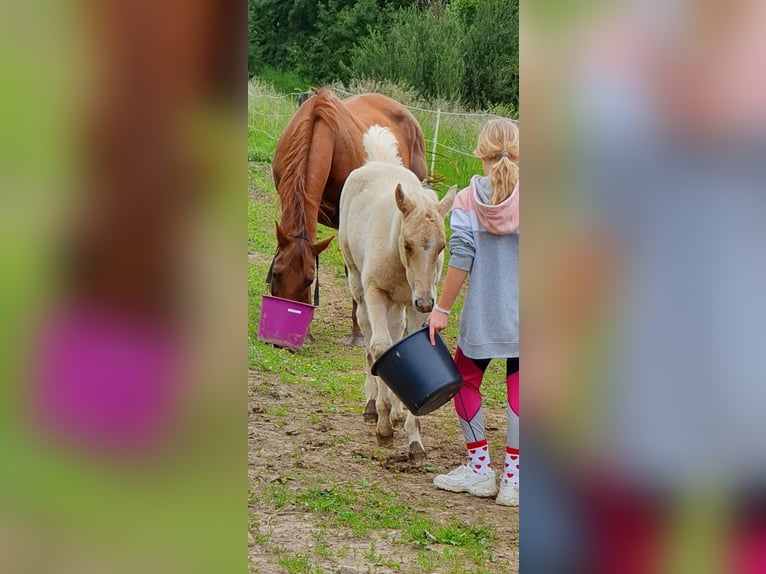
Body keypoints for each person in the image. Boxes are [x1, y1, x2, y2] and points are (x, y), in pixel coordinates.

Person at [427, 118, 520, 507]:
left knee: (465, 380)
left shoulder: (467, 199)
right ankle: (515, 481)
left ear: (480, 153)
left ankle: (481, 469)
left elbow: (461, 259)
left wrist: (441, 309)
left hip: (482, 315)